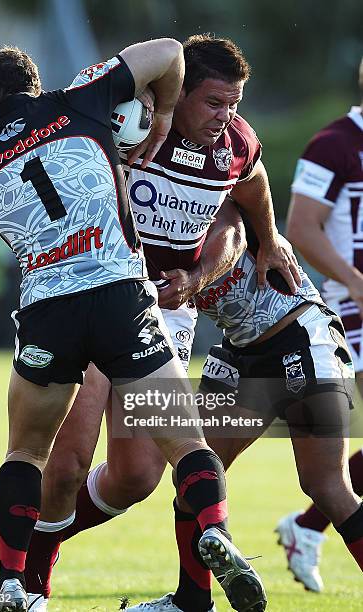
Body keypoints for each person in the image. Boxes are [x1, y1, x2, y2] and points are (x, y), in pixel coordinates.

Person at [0, 40, 255, 612]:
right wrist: (164, 112)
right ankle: (214, 526)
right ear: (36, 83)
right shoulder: (78, 102)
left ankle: (10, 587)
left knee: (26, 455)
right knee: (188, 443)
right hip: (122, 296)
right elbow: (170, 49)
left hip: (49, 307)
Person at [23, 35, 299, 612]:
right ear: (178, 94)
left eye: (235, 103)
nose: (227, 116)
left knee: (138, 477)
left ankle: (28, 552)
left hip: (167, 315)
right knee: (69, 463)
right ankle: (32, 588)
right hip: (96, 294)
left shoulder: (236, 142)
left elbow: (247, 191)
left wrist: (258, 246)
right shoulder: (134, 124)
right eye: (214, 102)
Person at [126, 210, 363, 611]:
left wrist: (199, 276)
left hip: (299, 335)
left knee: (326, 486)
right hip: (240, 353)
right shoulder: (141, 224)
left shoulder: (203, 190)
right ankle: (192, 601)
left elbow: (233, 228)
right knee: (194, 472)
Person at [281, 57, 363, 592]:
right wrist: (355, 282)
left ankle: (307, 526)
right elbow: (301, 228)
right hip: (351, 309)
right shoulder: (334, 143)